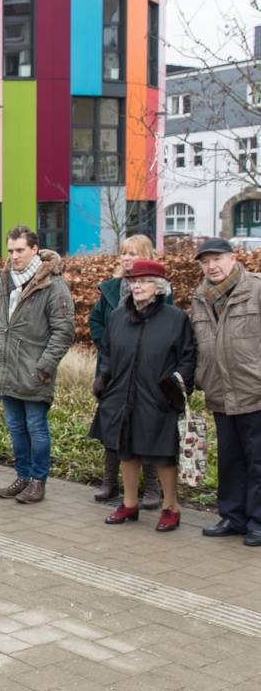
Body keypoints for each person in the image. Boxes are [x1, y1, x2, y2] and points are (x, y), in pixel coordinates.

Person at [90, 261, 195, 532]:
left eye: (144, 281)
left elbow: (188, 357)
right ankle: (129, 504)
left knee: (162, 455)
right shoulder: (118, 316)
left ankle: (171, 507)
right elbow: (108, 352)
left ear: (159, 287)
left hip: (158, 396)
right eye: (133, 281)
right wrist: (104, 379)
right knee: (126, 451)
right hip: (121, 394)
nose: (137, 285)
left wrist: (175, 387)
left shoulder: (176, 318)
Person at [0, 225, 75, 505]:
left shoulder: (52, 284)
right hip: (7, 368)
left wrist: (44, 367)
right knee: (15, 427)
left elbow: (64, 331)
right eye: (10, 251)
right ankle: (22, 476)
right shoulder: (4, 280)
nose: (14, 256)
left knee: (36, 427)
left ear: (34, 249)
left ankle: (38, 481)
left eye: (20, 250)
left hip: (34, 371)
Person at [88, 234, 170, 508]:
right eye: (124, 253)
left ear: (146, 256)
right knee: (112, 425)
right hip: (113, 371)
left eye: (133, 253)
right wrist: (112, 348)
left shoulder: (162, 292)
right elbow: (96, 322)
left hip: (147, 372)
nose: (126, 258)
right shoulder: (111, 289)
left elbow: (168, 331)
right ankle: (110, 482)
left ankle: (152, 489)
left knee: (146, 427)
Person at [190, 238, 261, 546]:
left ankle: (258, 521)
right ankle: (233, 517)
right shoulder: (201, 297)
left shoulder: (255, 289)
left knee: (257, 460)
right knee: (230, 460)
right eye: (205, 262)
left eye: (217, 259)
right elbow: (198, 344)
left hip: (254, 390)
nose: (212, 266)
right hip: (220, 392)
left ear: (233, 258)